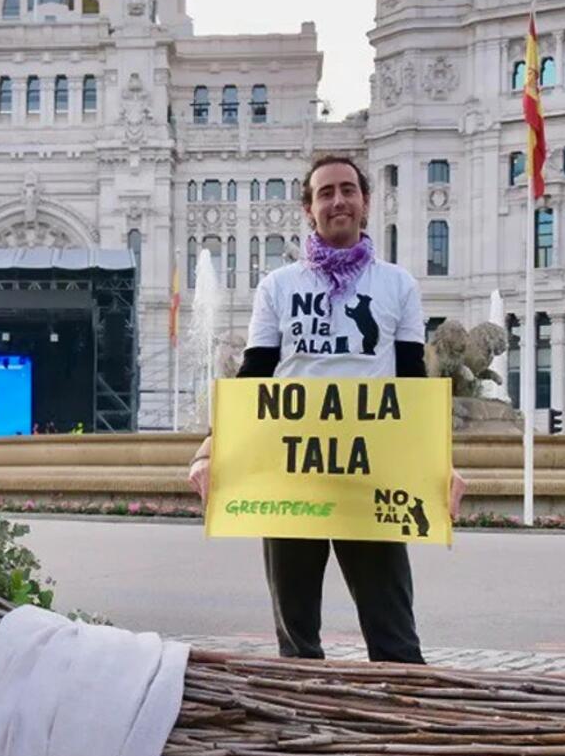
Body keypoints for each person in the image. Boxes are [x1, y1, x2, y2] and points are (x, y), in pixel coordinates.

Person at [188, 155, 465, 664]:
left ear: (365, 203)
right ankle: (303, 726)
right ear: (308, 210)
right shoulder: (278, 287)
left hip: (374, 474)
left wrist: (440, 466)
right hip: (290, 474)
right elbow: (253, 378)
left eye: (347, 190)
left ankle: (405, 726)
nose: (338, 200)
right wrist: (209, 450)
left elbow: (411, 382)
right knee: (296, 638)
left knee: (395, 635)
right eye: (325, 193)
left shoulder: (397, 285)